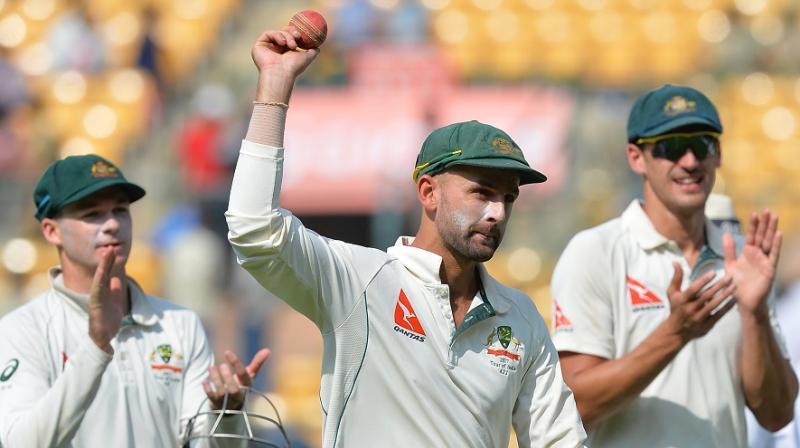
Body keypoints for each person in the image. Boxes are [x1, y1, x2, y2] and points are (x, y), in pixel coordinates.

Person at [225, 27, 587, 447]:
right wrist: (274, 89)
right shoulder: (360, 281)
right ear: (428, 193)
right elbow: (254, 228)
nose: (497, 212)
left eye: (508, 197)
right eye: (482, 192)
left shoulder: (519, 316)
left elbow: (560, 439)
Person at [551, 84, 798, 447]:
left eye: (702, 145)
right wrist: (676, 333)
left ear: (718, 154)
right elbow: (575, 405)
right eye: (670, 148)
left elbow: (776, 414)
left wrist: (755, 312)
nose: (690, 162)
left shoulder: (743, 260)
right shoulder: (596, 252)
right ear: (636, 157)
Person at [0, 154, 269, 447]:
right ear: (52, 231)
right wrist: (96, 349)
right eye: (92, 214)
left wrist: (226, 413)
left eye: (120, 210)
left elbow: (205, 444)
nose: (112, 224)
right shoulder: (22, 331)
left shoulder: (180, 324)